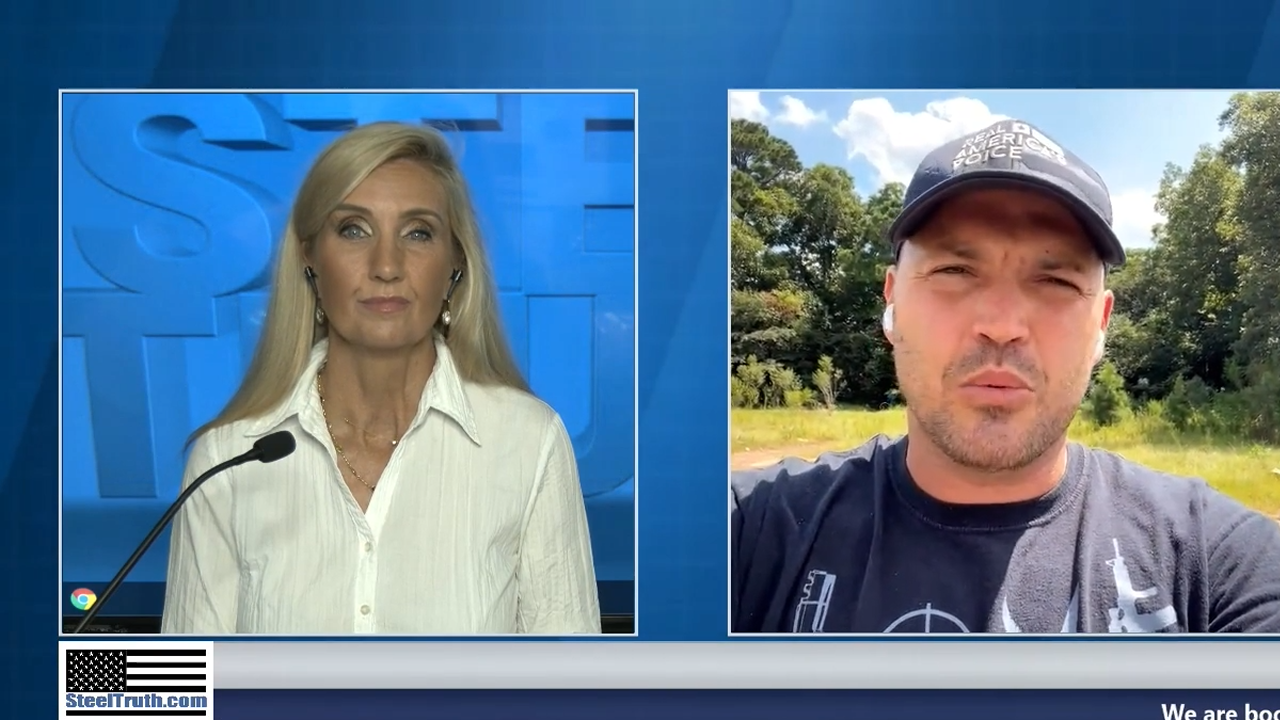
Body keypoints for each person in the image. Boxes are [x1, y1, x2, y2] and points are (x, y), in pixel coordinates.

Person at [731, 119, 1280, 634]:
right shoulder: (746, 531)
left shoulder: (1217, 561)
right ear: (893, 301)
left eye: (1057, 281)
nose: (1002, 326)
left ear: (1101, 323)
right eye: (954, 270)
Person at [162, 122, 601, 635]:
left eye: (418, 232)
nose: (386, 266)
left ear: (455, 263)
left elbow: (569, 676)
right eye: (354, 229)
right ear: (309, 257)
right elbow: (186, 681)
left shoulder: (528, 442)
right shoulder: (227, 458)